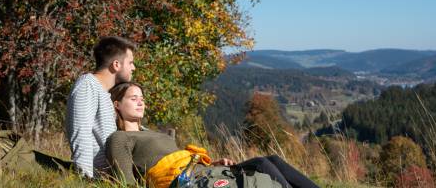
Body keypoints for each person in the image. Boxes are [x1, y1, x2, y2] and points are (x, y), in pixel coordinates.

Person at [106, 82, 319, 188]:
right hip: (186, 182)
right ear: (117, 104)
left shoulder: (153, 133)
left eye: (142, 98)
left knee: (267, 161)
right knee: (263, 165)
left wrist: (214, 164)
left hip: (205, 172)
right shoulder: (120, 138)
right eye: (134, 98)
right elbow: (126, 182)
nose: (141, 102)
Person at [65, 36, 136, 178]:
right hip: (95, 180)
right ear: (116, 65)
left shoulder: (105, 94)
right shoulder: (87, 85)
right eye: (130, 63)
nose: (134, 68)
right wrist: (85, 179)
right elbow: (81, 134)